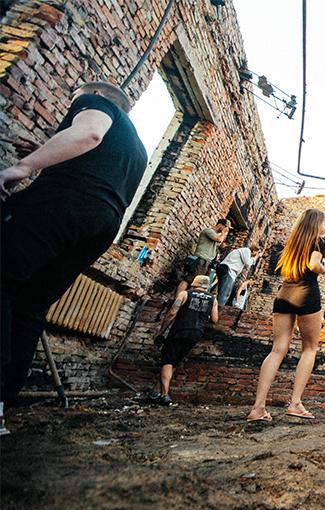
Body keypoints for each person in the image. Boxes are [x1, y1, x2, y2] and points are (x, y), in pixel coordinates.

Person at [1, 81, 148, 402]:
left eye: (74, 101)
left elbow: (89, 134)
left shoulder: (98, 105)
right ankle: (2, 405)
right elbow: (96, 160)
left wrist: (23, 166)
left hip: (65, 203)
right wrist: (44, 152)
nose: (72, 108)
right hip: (102, 226)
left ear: (95, 96)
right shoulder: (137, 148)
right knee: (30, 307)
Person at [246, 209, 325, 422]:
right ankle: (295, 403)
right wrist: (324, 270)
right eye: (324, 222)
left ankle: (258, 408)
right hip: (307, 294)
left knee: (277, 350)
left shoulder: (294, 242)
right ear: (316, 224)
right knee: (310, 348)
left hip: (285, 294)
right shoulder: (319, 241)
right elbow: (313, 265)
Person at [148, 275, 218, 406]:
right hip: (196, 333)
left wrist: (162, 329)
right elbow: (214, 319)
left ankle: (164, 395)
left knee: (167, 360)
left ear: (194, 283)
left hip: (179, 330)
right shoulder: (213, 299)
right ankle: (157, 391)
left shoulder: (185, 294)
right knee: (175, 361)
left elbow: (173, 312)